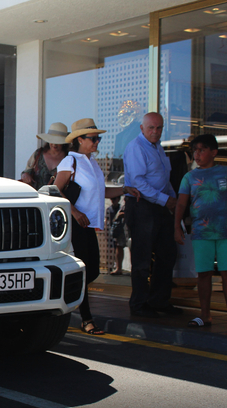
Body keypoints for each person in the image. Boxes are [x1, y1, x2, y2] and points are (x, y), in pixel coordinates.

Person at [54, 118, 140, 335]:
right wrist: (75, 212)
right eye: (93, 139)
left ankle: (64, 293)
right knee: (85, 271)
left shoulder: (92, 163)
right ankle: (86, 319)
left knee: (91, 270)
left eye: (98, 138)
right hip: (76, 223)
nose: (97, 142)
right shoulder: (69, 162)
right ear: (80, 140)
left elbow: (101, 192)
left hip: (89, 225)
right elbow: (55, 190)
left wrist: (124, 190)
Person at [123, 112, 182, 318]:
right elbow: (138, 182)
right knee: (142, 259)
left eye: (159, 128)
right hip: (142, 206)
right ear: (142, 129)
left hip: (160, 205)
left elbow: (164, 181)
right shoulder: (136, 147)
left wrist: (173, 200)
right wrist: (167, 200)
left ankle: (159, 300)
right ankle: (139, 304)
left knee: (167, 254)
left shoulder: (158, 149)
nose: (155, 132)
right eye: (151, 128)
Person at [174, 134, 227, 327]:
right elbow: (181, 203)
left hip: (225, 232)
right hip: (201, 233)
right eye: (194, 150)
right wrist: (177, 227)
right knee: (203, 274)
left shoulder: (224, 172)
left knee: (226, 272)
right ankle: (205, 315)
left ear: (214, 152)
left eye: (202, 150)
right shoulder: (189, 176)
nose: (197, 154)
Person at [21, 122, 70, 190]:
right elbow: (26, 171)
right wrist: (25, 175)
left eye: (57, 142)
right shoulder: (38, 154)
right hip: (36, 197)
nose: (54, 144)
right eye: (51, 141)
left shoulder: (69, 158)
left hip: (58, 199)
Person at [106, 196, 126, 275]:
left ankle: (131, 267)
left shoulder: (122, 207)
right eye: (112, 199)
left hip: (124, 228)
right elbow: (107, 221)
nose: (113, 201)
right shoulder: (109, 209)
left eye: (114, 199)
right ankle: (117, 267)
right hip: (117, 230)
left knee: (131, 248)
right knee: (117, 247)